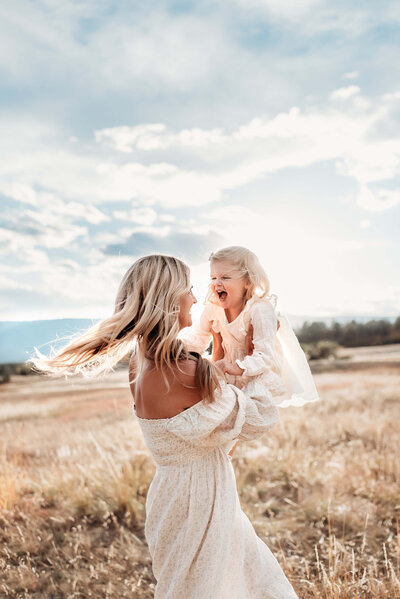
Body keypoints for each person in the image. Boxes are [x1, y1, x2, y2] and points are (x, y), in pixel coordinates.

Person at [30, 254, 299, 599]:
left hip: (171, 496)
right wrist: (264, 356)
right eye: (187, 288)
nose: (195, 297)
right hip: (199, 501)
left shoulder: (140, 362)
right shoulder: (183, 370)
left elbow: (202, 406)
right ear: (170, 298)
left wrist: (218, 345)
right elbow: (259, 416)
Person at [180, 245, 320, 408]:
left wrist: (236, 367)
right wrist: (177, 350)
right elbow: (198, 337)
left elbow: (265, 356)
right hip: (228, 368)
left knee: (243, 413)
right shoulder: (213, 307)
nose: (217, 283)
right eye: (213, 278)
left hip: (257, 370)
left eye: (225, 277)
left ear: (247, 281)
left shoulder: (259, 309)